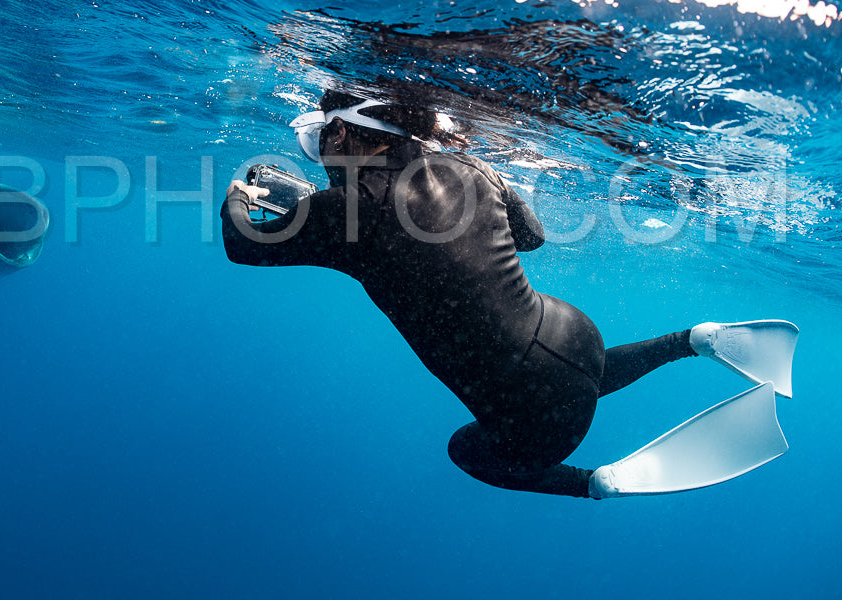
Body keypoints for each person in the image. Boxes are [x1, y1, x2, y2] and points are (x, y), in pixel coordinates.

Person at [221, 90, 796, 499]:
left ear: (343, 133)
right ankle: (696, 339)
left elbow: (243, 244)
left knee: (467, 451)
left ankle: (597, 483)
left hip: (533, 414)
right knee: (569, 379)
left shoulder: (345, 213)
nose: (321, 158)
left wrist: (236, 197)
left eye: (319, 141)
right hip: (576, 338)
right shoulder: (468, 167)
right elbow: (532, 237)